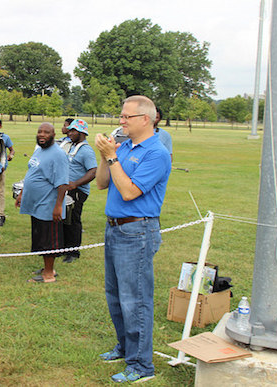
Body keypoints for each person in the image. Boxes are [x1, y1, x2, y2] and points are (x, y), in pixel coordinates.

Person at [94, 95, 171, 383]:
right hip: (114, 229)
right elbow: (102, 183)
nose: (121, 121)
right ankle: (125, 348)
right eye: (121, 116)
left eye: (127, 117)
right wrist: (106, 155)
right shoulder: (124, 146)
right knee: (115, 297)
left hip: (137, 232)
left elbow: (129, 192)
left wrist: (112, 157)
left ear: (145, 119)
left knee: (135, 300)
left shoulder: (157, 153)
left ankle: (142, 366)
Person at [15, 122, 69, 283]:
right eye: (40, 131)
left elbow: (62, 183)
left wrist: (58, 205)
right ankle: (48, 267)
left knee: (49, 240)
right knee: (40, 238)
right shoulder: (39, 150)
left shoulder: (58, 154)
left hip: (49, 205)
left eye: (46, 132)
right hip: (36, 204)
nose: (42, 135)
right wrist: (23, 194)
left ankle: (48, 275)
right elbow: (32, 172)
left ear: (53, 135)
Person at [62, 119, 97, 263]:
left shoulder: (86, 150)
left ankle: (73, 251)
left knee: (73, 220)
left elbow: (93, 171)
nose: (70, 133)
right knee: (64, 219)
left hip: (77, 191)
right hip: (66, 189)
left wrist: (75, 184)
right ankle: (63, 248)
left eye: (73, 131)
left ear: (82, 132)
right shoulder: (72, 146)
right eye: (69, 130)